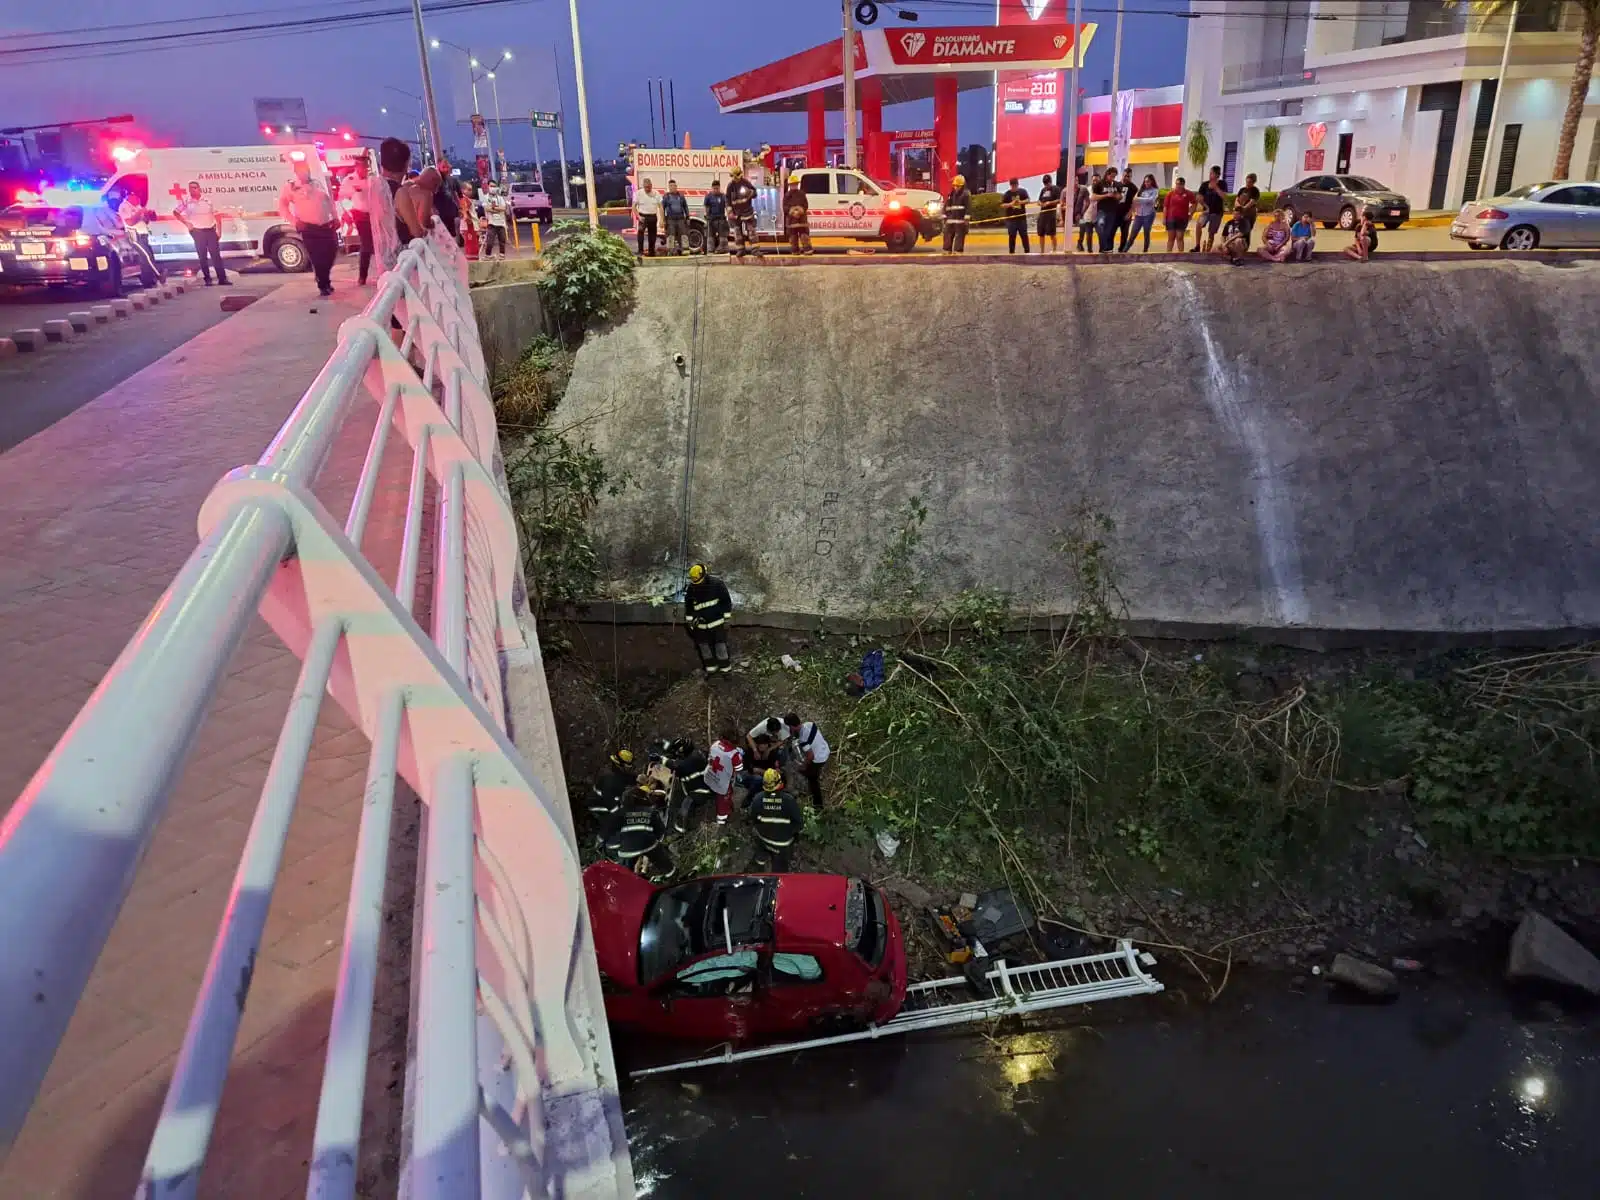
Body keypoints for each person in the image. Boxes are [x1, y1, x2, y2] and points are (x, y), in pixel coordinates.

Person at [278, 154, 341, 297]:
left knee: (331, 253)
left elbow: (329, 202)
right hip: (309, 228)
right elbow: (282, 206)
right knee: (317, 257)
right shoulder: (291, 187)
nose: (304, 173)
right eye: (300, 170)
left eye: (306, 170)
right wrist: (294, 221)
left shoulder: (317, 184)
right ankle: (323, 284)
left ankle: (324, 278)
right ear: (296, 172)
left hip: (326, 225)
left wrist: (336, 217)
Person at [604, 783, 675, 883]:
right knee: (661, 860)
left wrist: (620, 847)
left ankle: (627, 885)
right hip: (648, 843)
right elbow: (660, 831)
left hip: (627, 849)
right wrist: (657, 842)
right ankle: (671, 875)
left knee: (625, 873)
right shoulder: (650, 811)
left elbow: (612, 835)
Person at [744, 768, 803, 872]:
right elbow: (799, 824)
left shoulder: (758, 798)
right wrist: (788, 833)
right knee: (780, 867)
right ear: (779, 782)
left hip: (763, 839)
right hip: (782, 844)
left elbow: (752, 818)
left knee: (760, 854)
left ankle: (759, 868)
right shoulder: (789, 800)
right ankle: (778, 879)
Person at [173, 181, 230, 286]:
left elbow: (217, 216)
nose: (192, 190)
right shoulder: (187, 201)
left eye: (194, 188)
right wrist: (186, 223)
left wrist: (219, 230)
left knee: (216, 256)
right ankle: (207, 279)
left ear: (199, 189)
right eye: (190, 188)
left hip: (210, 230)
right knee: (202, 257)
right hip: (197, 232)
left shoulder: (208, 200)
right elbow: (176, 212)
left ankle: (222, 279)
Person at [683, 562, 732, 675]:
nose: (698, 584)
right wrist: (689, 621)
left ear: (705, 575)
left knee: (720, 646)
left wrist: (727, 619)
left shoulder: (717, 584)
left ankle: (725, 671)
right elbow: (689, 606)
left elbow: (726, 602)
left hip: (717, 623)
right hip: (701, 625)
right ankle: (711, 670)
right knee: (704, 648)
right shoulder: (692, 588)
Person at [665, 738, 716, 833]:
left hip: (704, 790)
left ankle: (682, 828)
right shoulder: (697, 753)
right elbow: (671, 751)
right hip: (706, 782)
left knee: (687, 803)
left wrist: (661, 760)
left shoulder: (691, 761)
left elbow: (677, 766)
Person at [380, 137, 423, 247]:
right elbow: (416, 232)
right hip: (401, 258)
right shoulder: (400, 192)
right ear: (406, 164)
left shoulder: (374, 187)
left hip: (379, 256)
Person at [116, 184, 162, 283]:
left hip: (143, 234)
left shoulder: (137, 206)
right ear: (130, 196)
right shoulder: (124, 206)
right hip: (134, 235)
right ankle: (159, 275)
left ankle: (149, 281)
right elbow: (130, 222)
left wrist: (147, 215)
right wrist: (139, 212)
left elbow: (145, 222)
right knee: (146, 256)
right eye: (137, 197)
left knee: (148, 258)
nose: (139, 199)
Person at [784, 712, 830, 807]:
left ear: (791, 727)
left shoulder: (803, 739)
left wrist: (804, 766)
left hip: (819, 758)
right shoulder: (810, 724)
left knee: (812, 779)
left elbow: (811, 756)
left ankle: (818, 804)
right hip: (825, 749)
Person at [343, 155, 375, 284]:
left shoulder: (372, 179)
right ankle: (362, 276)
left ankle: (384, 273)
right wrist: (351, 213)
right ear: (357, 166)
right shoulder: (350, 180)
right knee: (366, 245)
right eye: (362, 165)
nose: (365, 168)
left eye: (366, 165)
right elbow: (344, 199)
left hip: (375, 215)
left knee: (378, 245)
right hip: (361, 216)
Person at [589, 748, 636, 834]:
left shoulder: (616, 773)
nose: (630, 768)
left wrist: (639, 779)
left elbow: (627, 778)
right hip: (601, 810)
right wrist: (621, 816)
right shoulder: (610, 780)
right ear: (620, 764)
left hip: (608, 807)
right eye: (628, 766)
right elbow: (609, 802)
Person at [705, 726, 744, 825]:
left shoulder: (715, 744)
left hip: (710, 775)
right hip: (722, 782)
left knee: (715, 791)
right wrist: (740, 757)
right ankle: (721, 821)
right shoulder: (734, 755)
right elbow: (739, 769)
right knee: (723, 801)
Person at [726, 164, 760, 258]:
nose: (734, 178)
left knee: (751, 231)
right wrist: (729, 211)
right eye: (732, 176)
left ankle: (755, 250)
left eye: (735, 176)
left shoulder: (745, 182)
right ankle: (740, 250)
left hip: (747, 211)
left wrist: (750, 193)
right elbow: (727, 199)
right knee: (737, 233)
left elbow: (755, 193)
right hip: (736, 213)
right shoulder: (730, 186)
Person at [1193, 166, 1227, 253]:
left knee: (1211, 232)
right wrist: (1205, 206)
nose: (1210, 175)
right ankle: (1197, 246)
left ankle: (1208, 249)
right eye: (1210, 173)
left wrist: (1216, 187)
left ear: (1217, 175)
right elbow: (1199, 197)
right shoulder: (1204, 184)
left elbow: (1224, 196)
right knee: (1198, 225)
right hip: (1206, 211)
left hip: (1217, 212)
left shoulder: (1222, 184)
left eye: (1212, 173)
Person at [1127, 174, 1161, 253]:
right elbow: (1134, 200)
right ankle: (1125, 250)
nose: (1146, 183)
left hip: (1149, 215)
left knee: (1146, 233)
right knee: (1133, 234)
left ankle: (1145, 251)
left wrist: (1138, 199)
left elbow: (1151, 200)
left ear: (1152, 182)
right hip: (1139, 215)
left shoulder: (1155, 190)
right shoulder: (1141, 190)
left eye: (1148, 181)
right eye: (1145, 182)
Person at [782, 172, 813, 255]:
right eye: (792, 184)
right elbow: (785, 207)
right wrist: (792, 212)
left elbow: (805, 205)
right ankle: (795, 251)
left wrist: (799, 211)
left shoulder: (802, 194)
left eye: (795, 184)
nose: (794, 185)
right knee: (793, 237)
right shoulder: (787, 195)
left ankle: (807, 250)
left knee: (804, 236)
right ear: (789, 185)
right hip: (791, 221)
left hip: (802, 220)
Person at [1163, 176, 1195, 253]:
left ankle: (1181, 254)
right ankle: (1168, 254)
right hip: (1171, 218)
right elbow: (1165, 207)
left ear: (1183, 185)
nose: (1178, 186)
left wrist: (1191, 214)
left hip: (1182, 219)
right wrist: (1164, 218)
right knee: (1171, 238)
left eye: (1180, 184)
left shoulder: (1188, 193)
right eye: (1177, 184)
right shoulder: (1170, 194)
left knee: (1180, 237)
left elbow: (1194, 203)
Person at [1093, 167, 1120, 253]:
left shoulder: (1116, 184)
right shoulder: (1100, 184)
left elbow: (1120, 196)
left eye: (1114, 177)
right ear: (1107, 174)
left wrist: (1116, 196)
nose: (1112, 178)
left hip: (1112, 211)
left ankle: (1102, 249)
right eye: (1111, 176)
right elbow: (1094, 197)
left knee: (1107, 231)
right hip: (1102, 210)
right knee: (1100, 226)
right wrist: (1106, 195)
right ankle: (1103, 247)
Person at [632, 177, 661, 258]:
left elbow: (661, 206)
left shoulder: (656, 193)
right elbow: (633, 206)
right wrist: (638, 216)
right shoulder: (638, 193)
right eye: (645, 187)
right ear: (643, 186)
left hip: (652, 217)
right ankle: (640, 251)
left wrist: (662, 219)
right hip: (643, 217)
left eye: (648, 187)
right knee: (640, 234)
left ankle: (651, 251)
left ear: (651, 185)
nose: (647, 189)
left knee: (652, 235)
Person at [942, 173, 970, 253]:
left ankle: (958, 252)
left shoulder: (966, 194)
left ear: (962, 186)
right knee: (947, 234)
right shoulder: (952, 194)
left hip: (960, 220)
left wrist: (966, 219)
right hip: (951, 219)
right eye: (955, 185)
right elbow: (947, 205)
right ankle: (947, 250)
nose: (956, 187)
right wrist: (945, 216)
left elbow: (968, 207)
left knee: (959, 236)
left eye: (958, 186)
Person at [1001, 178, 1030, 254]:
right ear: (1010, 185)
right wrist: (1011, 204)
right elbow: (1003, 205)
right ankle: (1011, 252)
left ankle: (1027, 252)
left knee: (1024, 236)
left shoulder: (1022, 192)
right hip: (1011, 219)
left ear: (1018, 184)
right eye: (1013, 185)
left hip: (1021, 218)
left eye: (1015, 185)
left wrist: (1020, 202)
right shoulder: (1007, 194)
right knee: (1012, 236)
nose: (1014, 187)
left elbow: (1028, 200)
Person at [481, 181, 509, 258]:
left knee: (502, 240)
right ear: (488, 186)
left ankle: (502, 255)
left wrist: (493, 208)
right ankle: (487, 255)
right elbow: (487, 208)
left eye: (494, 186)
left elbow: (503, 208)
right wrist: (497, 209)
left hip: (501, 223)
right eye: (491, 186)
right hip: (491, 223)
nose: (493, 188)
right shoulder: (485, 197)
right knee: (490, 242)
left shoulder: (500, 198)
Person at [662, 179, 691, 255]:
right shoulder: (666, 196)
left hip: (681, 219)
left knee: (683, 234)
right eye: (670, 186)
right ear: (668, 187)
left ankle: (685, 250)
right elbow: (662, 208)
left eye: (673, 186)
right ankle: (670, 251)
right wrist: (663, 220)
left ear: (676, 186)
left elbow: (685, 207)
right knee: (671, 235)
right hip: (670, 219)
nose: (672, 187)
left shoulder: (681, 196)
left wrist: (688, 217)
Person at [1234, 172, 1262, 248]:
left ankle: (1245, 248)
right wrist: (1238, 206)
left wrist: (1244, 208)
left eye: (1249, 182)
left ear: (1253, 182)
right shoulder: (1242, 189)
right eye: (1247, 181)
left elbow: (1252, 202)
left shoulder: (1255, 191)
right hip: (1240, 213)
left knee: (1246, 230)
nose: (1247, 184)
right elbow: (1237, 199)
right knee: (1238, 230)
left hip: (1250, 214)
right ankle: (1237, 246)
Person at [1035, 173, 1060, 253]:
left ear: (1050, 182)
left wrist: (1050, 203)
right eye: (1045, 183)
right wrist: (1039, 203)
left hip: (1051, 214)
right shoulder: (1043, 190)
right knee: (1041, 233)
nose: (1046, 185)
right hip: (1042, 213)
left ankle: (1054, 250)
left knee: (1052, 233)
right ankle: (1042, 251)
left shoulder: (1055, 189)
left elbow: (1059, 200)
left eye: (1047, 183)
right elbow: (1039, 200)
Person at [703, 178, 729, 254]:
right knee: (710, 236)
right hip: (711, 219)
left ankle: (723, 248)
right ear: (712, 188)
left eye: (717, 188)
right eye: (714, 188)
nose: (715, 190)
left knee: (722, 236)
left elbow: (727, 206)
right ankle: (710, 249)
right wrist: (705, 214)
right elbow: (705, 206)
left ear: (719, 188)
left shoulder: (723, 196)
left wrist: (728, 214)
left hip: (721, 219)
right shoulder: (708, 196)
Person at [1075, 170, 1099, 252]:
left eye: (1097, 180)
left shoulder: (1102, 190)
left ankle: (1090, 249)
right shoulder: (1087, 189)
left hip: (1096, 215)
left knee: (1090, 234)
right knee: (1083, 232)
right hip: (1085, 214)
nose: (1095, 182)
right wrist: (1080, 212)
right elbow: (1082, 201)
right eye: (1094, 180)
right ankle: (1083, 245)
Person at [1116, 168, 1139, 252]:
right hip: (1115, 214)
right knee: (1111, 231)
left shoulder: (1134, 188)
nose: (1126, 178)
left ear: (1131, 177)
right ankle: (1108, 249)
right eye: (1125, 176)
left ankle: (1122, 250)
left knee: (1124, 233)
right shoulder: (1116, 185)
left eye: (1128, 176)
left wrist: (1130, 213)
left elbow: (1135, 203)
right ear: (1122, 175)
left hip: (1126, 214)